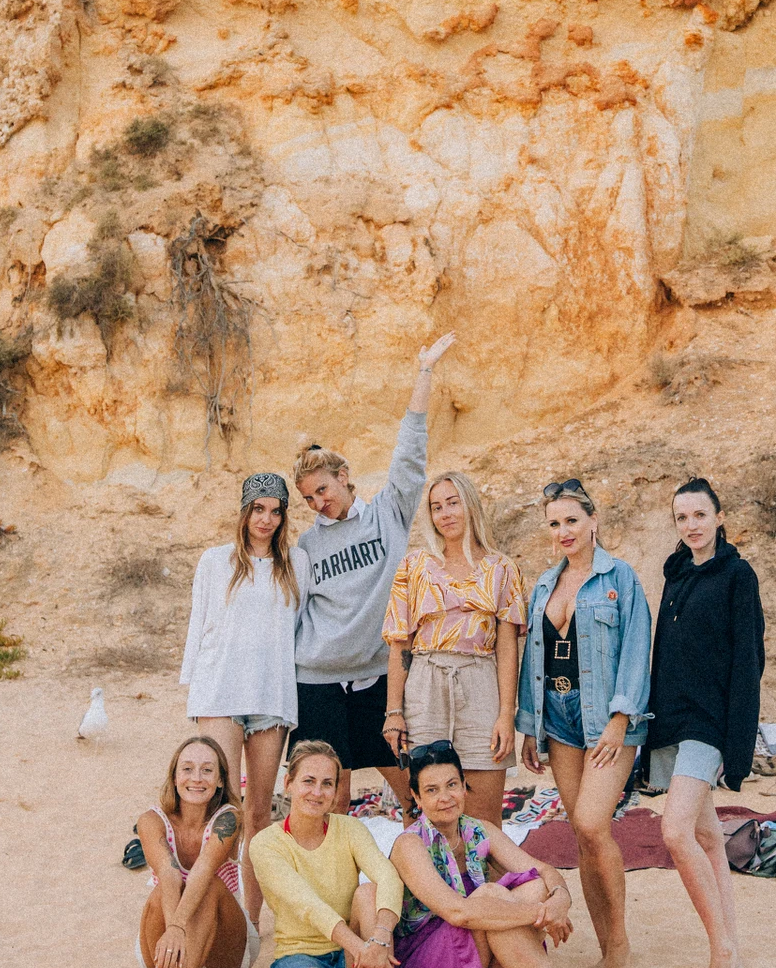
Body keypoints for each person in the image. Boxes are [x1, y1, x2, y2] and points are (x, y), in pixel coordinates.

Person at [292, 334, 455, 813]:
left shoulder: (388, 514)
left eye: (322, 489)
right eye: (308, 498)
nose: (318, 503)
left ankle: (421, 881)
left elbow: (409, 454)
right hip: (317, 681)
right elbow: (295, 615)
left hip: (378, 677)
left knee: (412, 788)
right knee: (330, 800)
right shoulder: (306, 546)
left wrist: (423, 373)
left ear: (342, 476)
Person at [390, 740, 623, 968]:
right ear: (416, 798)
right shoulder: (410, 844)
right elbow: (457, 912)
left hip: (477, 954)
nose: (445, 797)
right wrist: (542, 914)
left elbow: (543, 871)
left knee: (536, 887)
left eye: (451, 785)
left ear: (464, 786)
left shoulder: (477, 829)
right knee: (492, 895)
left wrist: (559, 901)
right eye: (432, 790)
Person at [516, 477, 651, 968]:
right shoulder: (545, 584)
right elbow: (537, 661)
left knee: (595, 824)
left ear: (593, 522)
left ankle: (619, 949)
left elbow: (638, 650)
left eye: (572, 520)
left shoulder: (621, 578)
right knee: (580, 834)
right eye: (554, 523)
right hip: (558, 716)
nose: (563, 531)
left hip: (607, 718)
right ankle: (604, 948)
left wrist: (620, 719)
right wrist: (530, 726)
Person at [647, 477, 765, 968]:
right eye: (682, 517)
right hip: (670, 719)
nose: (691, 525)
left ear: (719, 517)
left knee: (675, 832)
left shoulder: (738, 576)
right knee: (706, 836)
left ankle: (720, 952)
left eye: (699, 515)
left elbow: (748, 664)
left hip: (707, 724)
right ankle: (733, 947)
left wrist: (736, 746)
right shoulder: (675, 573)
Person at [180, 472, 308, 925]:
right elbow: (199, 625)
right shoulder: (215, 562)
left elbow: (301, 630)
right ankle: (214, 913)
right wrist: (194, 687)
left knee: (259, 812)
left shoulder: (296, 564)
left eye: (276, 511)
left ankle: (250, 921)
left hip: (272, 694)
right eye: (259, 509)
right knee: (223, 809)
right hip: (220, 692)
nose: (267, 519)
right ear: (244, 511)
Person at [249, 739, 420, 968]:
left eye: (327, 784)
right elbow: (307, 905)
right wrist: (363, 949)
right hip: (301, 956)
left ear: (337, 790)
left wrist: (379, 938)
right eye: (308, 782)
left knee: (368, 892)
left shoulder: (350, 829)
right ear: (288, 784)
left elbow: (388, 876)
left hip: (353, 959)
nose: (317, 792)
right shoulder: (265, 844)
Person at [382, 471, 526, 826]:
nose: (445, 513)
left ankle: (486, 884)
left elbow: (507, 647)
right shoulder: (415, 567)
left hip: (480, 683)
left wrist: (506, 714)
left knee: (485, 816)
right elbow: (401, 643)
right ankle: (428, 883)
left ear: (470, 505)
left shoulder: (502, 569)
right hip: (425, 683)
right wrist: (393, 711)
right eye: (436, 507)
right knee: (426, 811)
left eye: (452, 503)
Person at [135, 736, 259, 968]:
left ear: (219, 780)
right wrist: (174, 929)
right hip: (167, 949)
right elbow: (167, 873)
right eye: (188, 769)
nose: (196, 778)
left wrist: (178, 926)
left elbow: (203, 870)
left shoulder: (228, 818)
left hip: (220, 950)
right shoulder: (150, 820)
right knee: (160, 889)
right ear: (175, 777)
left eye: (207, 770)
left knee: (209, 886)